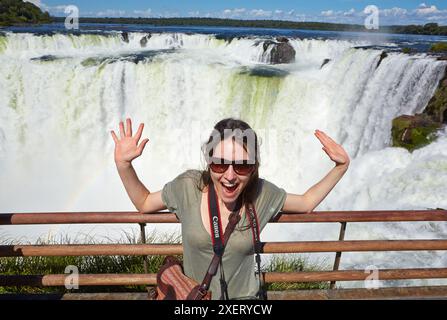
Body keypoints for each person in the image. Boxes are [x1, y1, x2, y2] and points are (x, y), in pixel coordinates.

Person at [111, 117, 350, 300]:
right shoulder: (188, 187)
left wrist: (340, 167)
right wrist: (123, 165)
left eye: (242, 167)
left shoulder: (261, 194)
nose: (230, 176)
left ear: (254, 167)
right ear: (208, 160)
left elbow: (307, 202)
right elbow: (143, 202)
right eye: (219, 164)